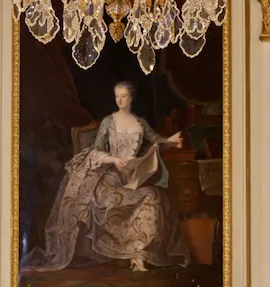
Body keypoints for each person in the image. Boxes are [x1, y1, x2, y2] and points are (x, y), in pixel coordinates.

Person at [24, 81, 190, 273]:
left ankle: (138, 255)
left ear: (131, 98)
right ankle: (131, 256)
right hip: (109, 177)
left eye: (123, 96)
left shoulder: (140, 123)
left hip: (132, 177)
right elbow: (96, 150)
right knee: (113, 199)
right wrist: (112, 159)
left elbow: (155, 140)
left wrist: (170, 141)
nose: (119, 100)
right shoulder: (108, 122)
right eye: (116, 96)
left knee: (153, 198)